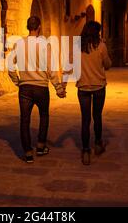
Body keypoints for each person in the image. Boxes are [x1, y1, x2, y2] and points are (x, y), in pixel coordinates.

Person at [9, 16, 66, 163]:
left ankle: (28, 153)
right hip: (41, 87)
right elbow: (51, 68)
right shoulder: (44, 44)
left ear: (28, 27)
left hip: (25, 88)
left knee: (24, 120)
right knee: (44, 116)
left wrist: (18, 82)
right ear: (39, 27)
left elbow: (9, 66)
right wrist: (58, 88)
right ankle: (40, 146)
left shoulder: (19, 44)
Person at [76, 21, 112, 165]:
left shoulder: (77, 46)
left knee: (85, 120)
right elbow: (108, 65)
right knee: (97, 116)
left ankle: (85, 150)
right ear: (96, 32)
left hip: (83, 87)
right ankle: (97, 144)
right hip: (98, 87)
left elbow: (70, 64)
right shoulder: (101, 46)